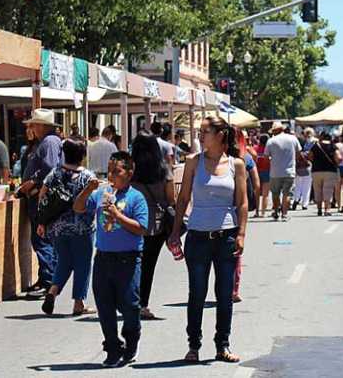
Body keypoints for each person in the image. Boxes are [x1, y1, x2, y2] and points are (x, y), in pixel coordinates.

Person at [167, 116, 248, 364]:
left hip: (226, 236)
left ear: (221, 135)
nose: (200, 136)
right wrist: (174, 230)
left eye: (205, 131)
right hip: (198, 236)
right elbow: (182, 200)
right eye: (200, 131)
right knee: (197, 293)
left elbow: (242, 203)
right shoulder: (194, 162)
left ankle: (222, 345)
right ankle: (194, 345)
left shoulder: (237, 164)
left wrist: (242, 233)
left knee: (224, 294)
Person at [75, 151, 148, 367]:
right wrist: (88, 190)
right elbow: (78, 208)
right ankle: (113, 348)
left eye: (117, 171)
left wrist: (118, 216)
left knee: (130, 306)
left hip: (128, 260)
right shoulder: (101, 194)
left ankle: (131, 339)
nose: (112, 176)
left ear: (129, 173)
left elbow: (142, 228)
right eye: (110, 171)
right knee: (104, 307)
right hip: (104, 258)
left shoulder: (136, 197)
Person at [38, 138, 96, 317]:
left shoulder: (55, 173)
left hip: (57, 228)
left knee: (64, 261)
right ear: (82, 156)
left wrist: (42, 221)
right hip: (82, 228)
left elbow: (43, 196)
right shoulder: (88, 176)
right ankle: (79, 302)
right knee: (83, 264)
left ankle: (52, 291)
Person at [130, 130, 176, 321]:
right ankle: (142, 304)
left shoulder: (130, 169)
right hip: (156, 225)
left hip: (132, 221)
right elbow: (171, 198)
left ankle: (129, 301)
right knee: (148, 266)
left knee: (131, 263)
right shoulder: (163, 169)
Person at [18, 109, 64, 296]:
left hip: (42, 199)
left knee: (41, 239)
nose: (31, 128)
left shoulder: (49, 142)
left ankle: (48, 281)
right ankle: (45, 278)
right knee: (41, 240)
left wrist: (35, 184)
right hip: (39, 197)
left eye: (33, 124)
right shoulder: (46, 142)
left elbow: (51, 170)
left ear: (41, 125)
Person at [234, 127, 260, 303]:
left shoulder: (212, 159)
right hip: (238, 209)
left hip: (219, 208)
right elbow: (257, 184)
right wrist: (255, 205)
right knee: (236, 250)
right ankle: (233, 289)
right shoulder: (246, 158)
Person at [265, 121, 301, 222]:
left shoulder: (271, 141)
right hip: (289, 171)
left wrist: (272, 163)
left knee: (275, 194)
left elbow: (266, 157)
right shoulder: (293, 139)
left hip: (275, 172)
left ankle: (276, 212)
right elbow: (298, 153)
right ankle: (284, 214)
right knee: (287, 194)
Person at [309, 131, 341, 216]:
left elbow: (309, 156)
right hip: (330, 170)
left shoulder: (315, 146)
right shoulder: (333, 146)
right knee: (328, 190)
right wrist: (336, 163)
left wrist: (316, 162)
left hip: (316, 170)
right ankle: (327, 210)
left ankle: (319, 209)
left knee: (317, 190)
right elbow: (339, 157)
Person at [292, 128, 314, 211]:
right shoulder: (313, 142)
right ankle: (304, 204)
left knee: (298, 185)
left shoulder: (298, 143)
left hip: (298, 166)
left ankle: (296, 199)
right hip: (308, 166)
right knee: (307, 186)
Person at [254, 134, 272, 218]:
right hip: (267, 171)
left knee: (257, 192)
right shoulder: (269, 149)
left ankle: (257, 211)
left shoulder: (255, 148)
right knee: (265, 194)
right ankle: (263, 213)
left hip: (256, 171)